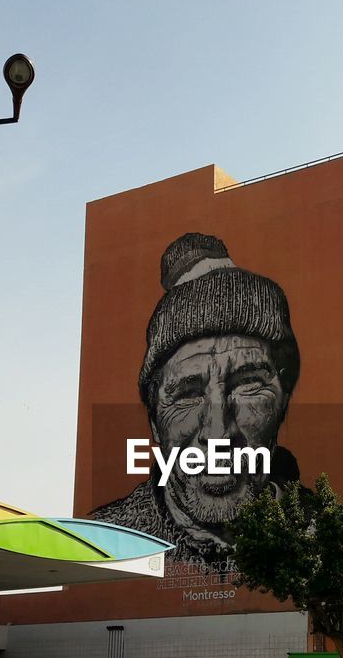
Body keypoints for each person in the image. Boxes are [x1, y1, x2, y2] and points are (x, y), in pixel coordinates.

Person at [90, 232, 303, 569]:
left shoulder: (334, 536)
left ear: (284, 400)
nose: (218, 434)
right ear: (153, 422)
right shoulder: (104, 540)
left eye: (248, 384)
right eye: (188, 393)